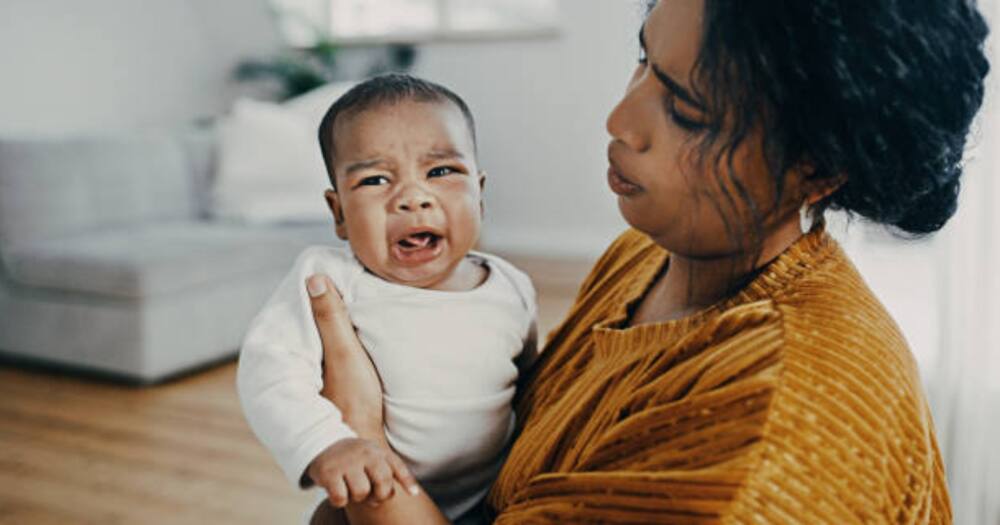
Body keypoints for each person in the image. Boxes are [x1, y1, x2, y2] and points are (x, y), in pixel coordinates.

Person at [305, 0, 990, 523]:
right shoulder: (647, 255)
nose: (620, 119)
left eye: (687, 111)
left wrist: (365, 442)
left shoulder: (769, 446)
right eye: (644, 60)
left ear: (817, 168)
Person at [236, 74, 538, 524]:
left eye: (441, 172)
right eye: (376, 180)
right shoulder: (331, 277)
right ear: (338, 213)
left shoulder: (511, 287)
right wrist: (327, 443)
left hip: (487, 496)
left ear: (480, 194)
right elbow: (269, 368)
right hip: (367, 500)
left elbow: (531, 384)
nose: (412, 198)